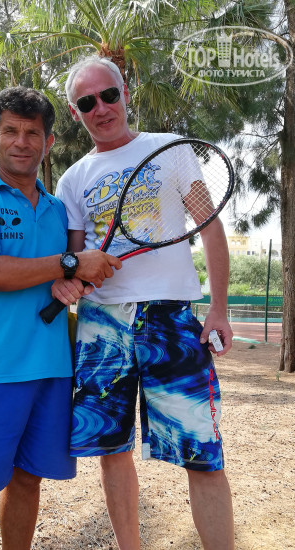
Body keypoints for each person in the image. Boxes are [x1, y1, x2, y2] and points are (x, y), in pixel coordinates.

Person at [51, 55, 235, 550]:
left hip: (171, 318)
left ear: (125, 93)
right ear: (75, 112)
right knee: (112, 452)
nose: (101, 108)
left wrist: (218, 308)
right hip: (101, 325)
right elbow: (75, 258)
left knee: (202, 454)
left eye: (109, 95)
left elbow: (210, 228)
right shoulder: (73, 179)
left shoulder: (170, 150)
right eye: (87, 102)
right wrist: (74, 277)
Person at [0, 85, 121, 550]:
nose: (21, 142)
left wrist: (70, 280)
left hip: (52, 372)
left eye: (32, 133)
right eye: (10, 131)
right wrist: (70, 263)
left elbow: (65, 276)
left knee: (27, 482)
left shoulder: (58, 210)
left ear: (48, 142)